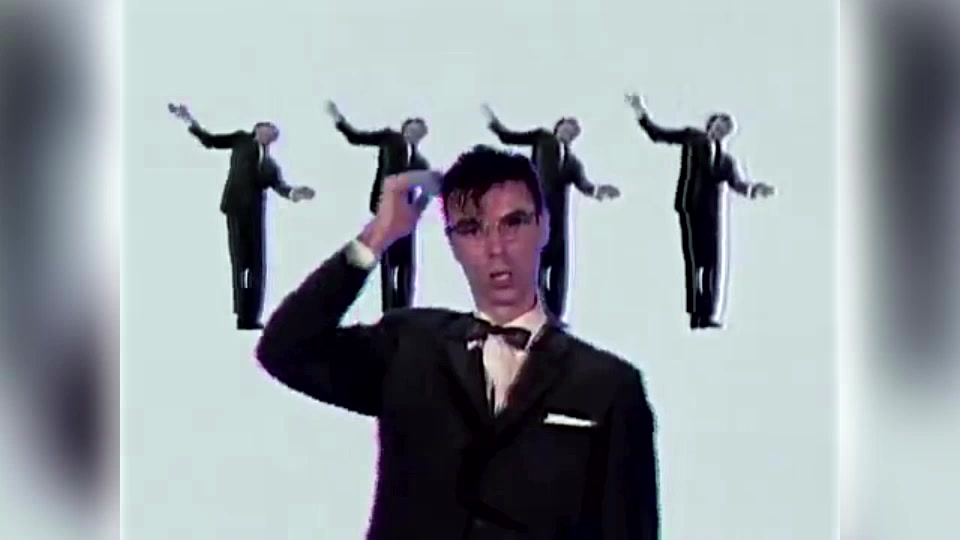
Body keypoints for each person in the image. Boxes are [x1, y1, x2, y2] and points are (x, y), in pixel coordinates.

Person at [255, 145, 660, 539]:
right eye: (471, 229)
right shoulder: (409, 345)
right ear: (452, 243)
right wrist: (377, 235)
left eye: (513, 223)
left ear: (544, 226)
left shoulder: (609, 387)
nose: (496, 248)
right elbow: (285, 350)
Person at [624, 92, 775, 330]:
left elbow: (737, 184)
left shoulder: (726, 161)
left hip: (712, 214)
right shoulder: (693, 138)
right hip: (691, 207)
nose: (721, 130)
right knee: (696, 263)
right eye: (719, 125)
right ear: (710, 124)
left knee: (712, 263)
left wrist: (755, 189)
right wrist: (640, 113)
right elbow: (658, 135)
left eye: (726, 129)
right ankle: (696, 314)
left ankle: (707, 314)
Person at [168, 103, 315, 330]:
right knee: (240, 263)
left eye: (274, 135)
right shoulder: (240, 140)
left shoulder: (270, 165)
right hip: (236, 209)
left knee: (256, 266)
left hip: (255, 217)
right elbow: (210, 141)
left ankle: (250, 317)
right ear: (258, 128)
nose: (271, 136)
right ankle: (241, 314)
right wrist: (188, 119)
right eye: (269, 130)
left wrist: (296, 193)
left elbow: (281, 187)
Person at [481, 104, 621, 320]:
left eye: (575, 131)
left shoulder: (573, 163)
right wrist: (494, 124)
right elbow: (509, 137)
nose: (571, 132)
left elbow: (585, 185)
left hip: (558, 223)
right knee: (534, 263)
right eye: (569, 126)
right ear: (558, 126)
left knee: (558, 271)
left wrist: (598, 191)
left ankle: (554, 317)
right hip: (536, 215)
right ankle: (533, 310)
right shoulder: (542, 139)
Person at [325, 100, 430, 313]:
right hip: (386, 213)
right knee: (388, 264)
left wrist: (417, 209)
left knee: (406, 265)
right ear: (405, 128)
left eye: (420, 132)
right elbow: (356, 137)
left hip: (406, 219)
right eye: (413, 128)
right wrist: (339, 120)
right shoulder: (390, 139)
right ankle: (389, 312)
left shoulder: (420, 163)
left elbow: (426, 192)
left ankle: (405, 311)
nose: (416, 133)